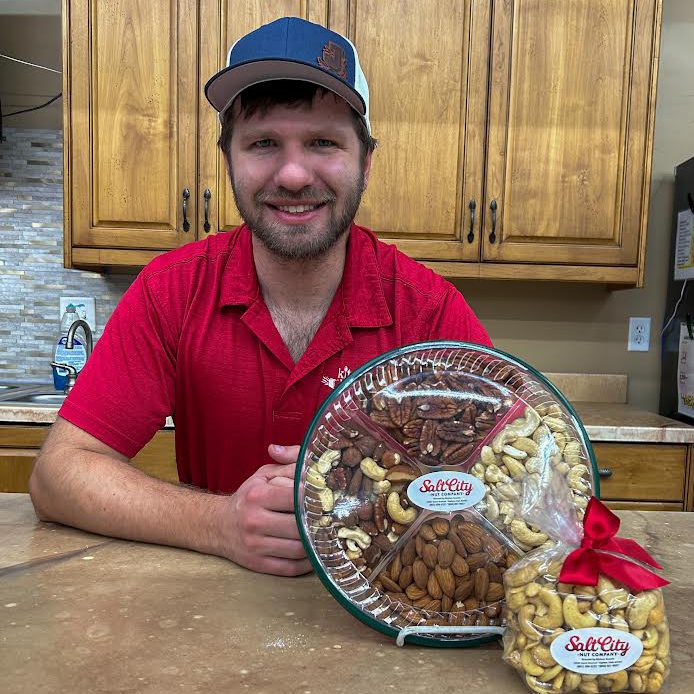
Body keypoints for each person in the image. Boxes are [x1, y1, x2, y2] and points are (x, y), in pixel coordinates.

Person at [29, 17, 491, 576]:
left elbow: (517, 484)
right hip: (212, 622)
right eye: (263, 143)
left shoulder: (429, 310)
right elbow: (58, 476)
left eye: (323, 142)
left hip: (395, 618)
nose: (294, 174)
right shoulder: (171, 292)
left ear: (365, 161)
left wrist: (379, 487)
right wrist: (218, 523)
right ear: (228, 160)